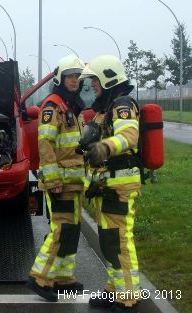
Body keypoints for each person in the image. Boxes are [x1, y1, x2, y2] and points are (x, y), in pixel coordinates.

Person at [79, 55, 141, 313]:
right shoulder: (106, 109)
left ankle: (128, 298)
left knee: (119, 241)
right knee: (108, 240)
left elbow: (129, 136)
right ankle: (113, 290)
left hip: (120, 186)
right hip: (108, 186)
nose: (92, 84)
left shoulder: (122, 104)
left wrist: (105, 147)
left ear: (108, 77)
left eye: (95, 79)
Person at [27, 54, 87, 302]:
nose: (74, 80)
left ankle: (64, 279)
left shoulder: (72, 105)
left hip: (73, 182)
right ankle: (39, 277)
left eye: (77, 76)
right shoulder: (53, 106)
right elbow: (46, 145)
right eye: (70, 76)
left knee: (72, 231)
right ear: (61, 78)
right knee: (61, 230)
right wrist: (52, 180)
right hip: (59, 182)